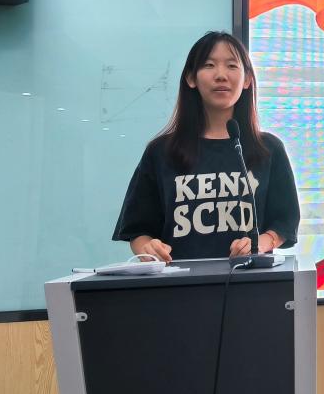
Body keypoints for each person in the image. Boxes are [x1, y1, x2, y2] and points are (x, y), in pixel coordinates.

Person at [112, 31, 299, 261]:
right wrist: (148, 248)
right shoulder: (161, 151)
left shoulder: (268, 148)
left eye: (232, 66)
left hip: (250, 279)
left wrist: (260, 243)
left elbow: (285, 223)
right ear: (191, 78)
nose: (221, 75)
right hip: (179, 281)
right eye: (209, 65)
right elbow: (138, 230)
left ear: (247, 79)